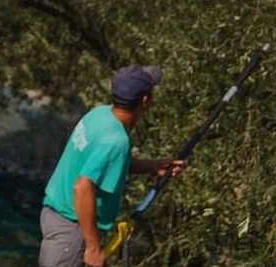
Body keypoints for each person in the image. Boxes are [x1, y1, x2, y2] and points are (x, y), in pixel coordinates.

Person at [38, 65, 184, 267]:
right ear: (145, 101)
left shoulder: (100, 115)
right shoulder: (116, 141)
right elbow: (82, 187)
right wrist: (92, 247)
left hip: (58, 217)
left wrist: (152, 167)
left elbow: (102, 164)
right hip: (71, 231)